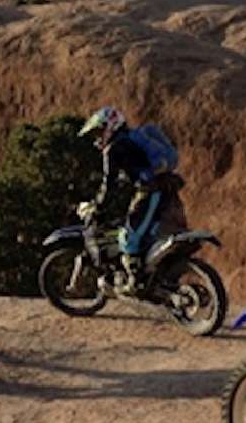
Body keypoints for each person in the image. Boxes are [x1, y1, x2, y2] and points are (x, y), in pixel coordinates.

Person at [78, 106, 186, 292]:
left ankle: (136, 282)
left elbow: (108, 184)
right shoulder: (131, 140)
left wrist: (98, 206)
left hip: (149, 191)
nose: (97, 137)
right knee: (148, 233)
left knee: (129, 237)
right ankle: (156, 277)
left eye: (99, 131)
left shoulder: (113, 149)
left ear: (110, 126)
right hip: (165, 187)